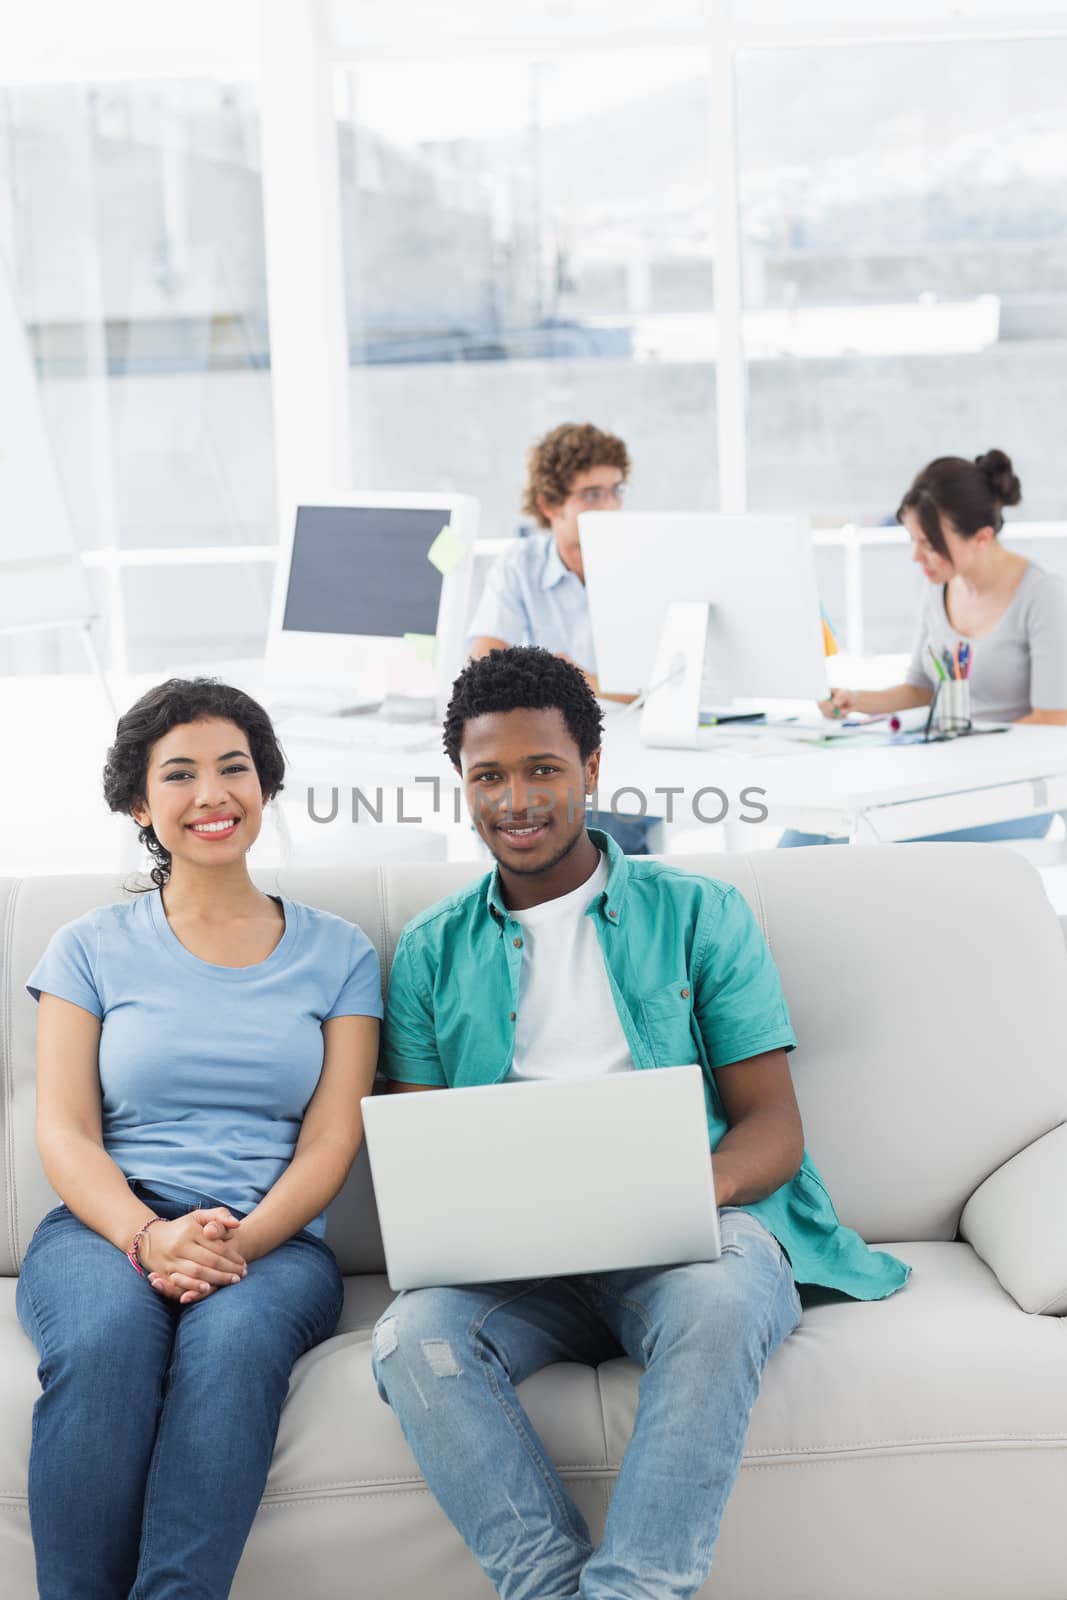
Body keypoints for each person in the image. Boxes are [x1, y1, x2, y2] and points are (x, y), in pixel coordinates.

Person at [371, 646, 908, 1600]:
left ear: (591, 769)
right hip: (513, 1269)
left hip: (687, 1244)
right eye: (487, 776)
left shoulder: (700, 914)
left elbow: (770, 1132)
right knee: (411, 1339)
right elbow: (419, 1157)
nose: (516, 799)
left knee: (722, 1299)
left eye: (543, 768)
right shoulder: (427, 952)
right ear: (459, 784)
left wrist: (665, 1193)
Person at [17, 677, 382, 1600]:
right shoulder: (88, 947)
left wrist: (233, 1245)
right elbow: (64, 1129)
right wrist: (149, 1238)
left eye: (235, 769)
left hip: (273, 1241)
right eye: (179, 775)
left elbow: (331, 1143)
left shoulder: (340, 954)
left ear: (265, 787)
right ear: (140, 804)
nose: (212, 794)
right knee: (102, 1342)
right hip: (107, 1227)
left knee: (230, 1353)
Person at [780, 448, 1067, 847]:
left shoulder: (1044, 596)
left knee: (868, 840)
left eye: (929, 544)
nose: (916, 557)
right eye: (913, 541)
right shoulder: (940, 587)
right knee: (810, 831)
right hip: (942, 775)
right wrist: (855, 699)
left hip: (1011, 794)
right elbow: (920, 689)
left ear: (982, 537)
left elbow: (1055, 719)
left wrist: (969, 740)